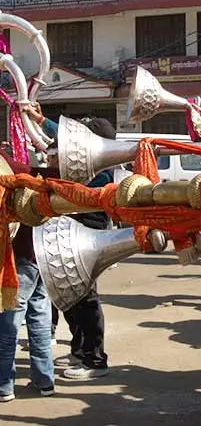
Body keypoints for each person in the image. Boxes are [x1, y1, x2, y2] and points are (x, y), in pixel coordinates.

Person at [34, 114, 115, 380]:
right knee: (69, 296)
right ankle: (80, 350)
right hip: (74, 231)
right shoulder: (90, 164)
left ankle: (95, 360)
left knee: (86, 299)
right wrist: (39, 118)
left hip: (88, 234)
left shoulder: (100, 169)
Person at [0, 149, 58, 402]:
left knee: (8, 325)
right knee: (40, 321)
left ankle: (4, 385)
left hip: (23, 258)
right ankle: (44, 380)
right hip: (44, 256)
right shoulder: (52, 182)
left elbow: (19, 171)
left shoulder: (20, 174)